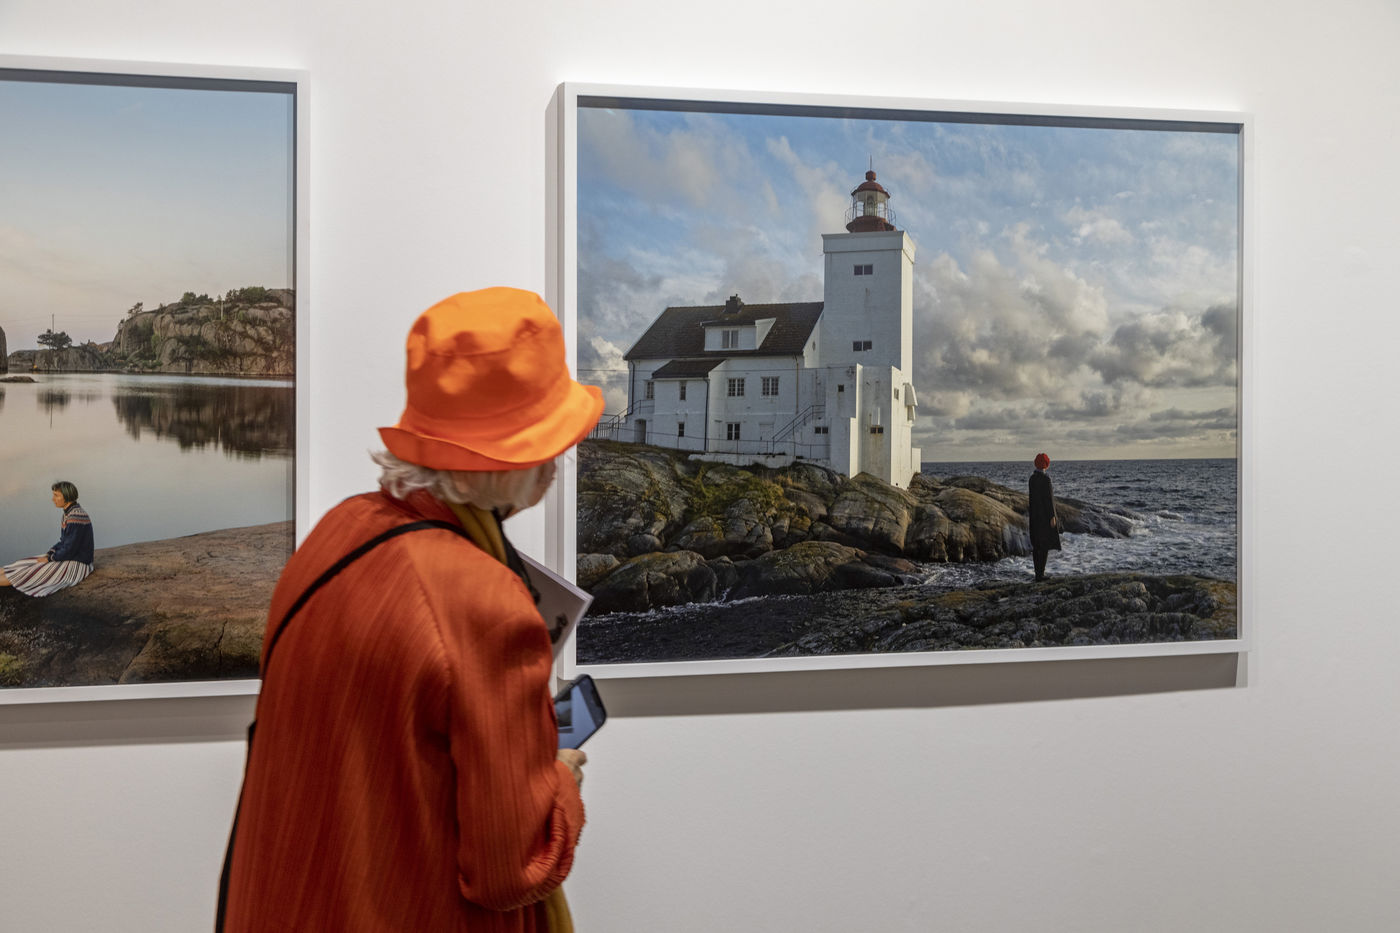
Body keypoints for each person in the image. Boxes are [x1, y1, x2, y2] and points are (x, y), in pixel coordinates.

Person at [220, 288, 605, 932]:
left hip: (288, 903)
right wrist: (561, 778)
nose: (561, 459)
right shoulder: (484, 600)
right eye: (552, 441)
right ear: (512, 459)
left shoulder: (340, 530)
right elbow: (512, 868)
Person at [0, 481, 95, 596]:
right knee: (20, 565)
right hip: (69, 557)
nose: (53, 499)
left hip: (78, 564)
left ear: (67, 496)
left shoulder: (75, 516)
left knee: (26, 574)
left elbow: (70, 549)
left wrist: (50, 559)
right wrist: (49, 554)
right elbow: (64, 542)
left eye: (56, 495)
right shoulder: (69, 513)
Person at [1028, 452, 1061, 582]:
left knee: (1037, 546)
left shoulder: (1032, 479)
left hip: (1034, 517)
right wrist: (1052, 516)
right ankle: (1041, 574)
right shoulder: (1046, 479)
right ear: (1046, 464)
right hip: (1045, 518)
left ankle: (1037, 574)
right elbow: (1049, 500)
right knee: (1044, 545)